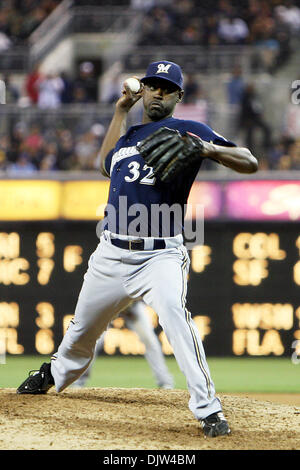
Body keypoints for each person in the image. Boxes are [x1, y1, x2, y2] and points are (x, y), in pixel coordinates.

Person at [17, 60, 258, 438]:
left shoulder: (190, 129)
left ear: (179, 96)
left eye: (167, 88)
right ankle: (54, 373)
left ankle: (208, 409)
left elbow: (250, 162)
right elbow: (104, 166)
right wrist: (119, 112)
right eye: (153, 85)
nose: (158, 92)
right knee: (81, 331)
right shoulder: (128, 137)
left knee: (176, 319)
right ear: (142, 89)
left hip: (159, 254)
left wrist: (207, 148)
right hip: (111, 252)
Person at [71, 300, 174, 389]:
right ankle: (78, 383)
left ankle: (165, 383)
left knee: (150, 341)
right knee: (93, 341)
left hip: (132, 307)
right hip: (108, 306)